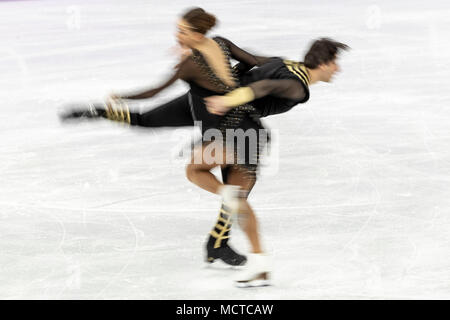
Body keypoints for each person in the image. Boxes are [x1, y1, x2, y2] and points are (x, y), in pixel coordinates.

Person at [60, 7, 272, 271]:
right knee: (148, 122)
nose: (177, 35)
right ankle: (98, 113)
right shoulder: (220, 44)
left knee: (232, 188)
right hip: (214, 112)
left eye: (182, 31)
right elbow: (252, 61)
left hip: (222, 121)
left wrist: (122, 95)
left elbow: (154, 91)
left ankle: (217, 243)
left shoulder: (190, 64)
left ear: (196, 34)